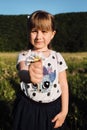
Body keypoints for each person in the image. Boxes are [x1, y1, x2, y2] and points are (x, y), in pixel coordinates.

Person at [13, 10, 69, 130]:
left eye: (44, 31)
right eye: (34, 31)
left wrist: (64, 112)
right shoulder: (24, 55)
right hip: (28, 108)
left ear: (52, 34)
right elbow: (22, 72)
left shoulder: (57, 57)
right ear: (28, 32)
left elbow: (64, 84)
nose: (39, 36)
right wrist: (29, 76)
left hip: (53, 109)